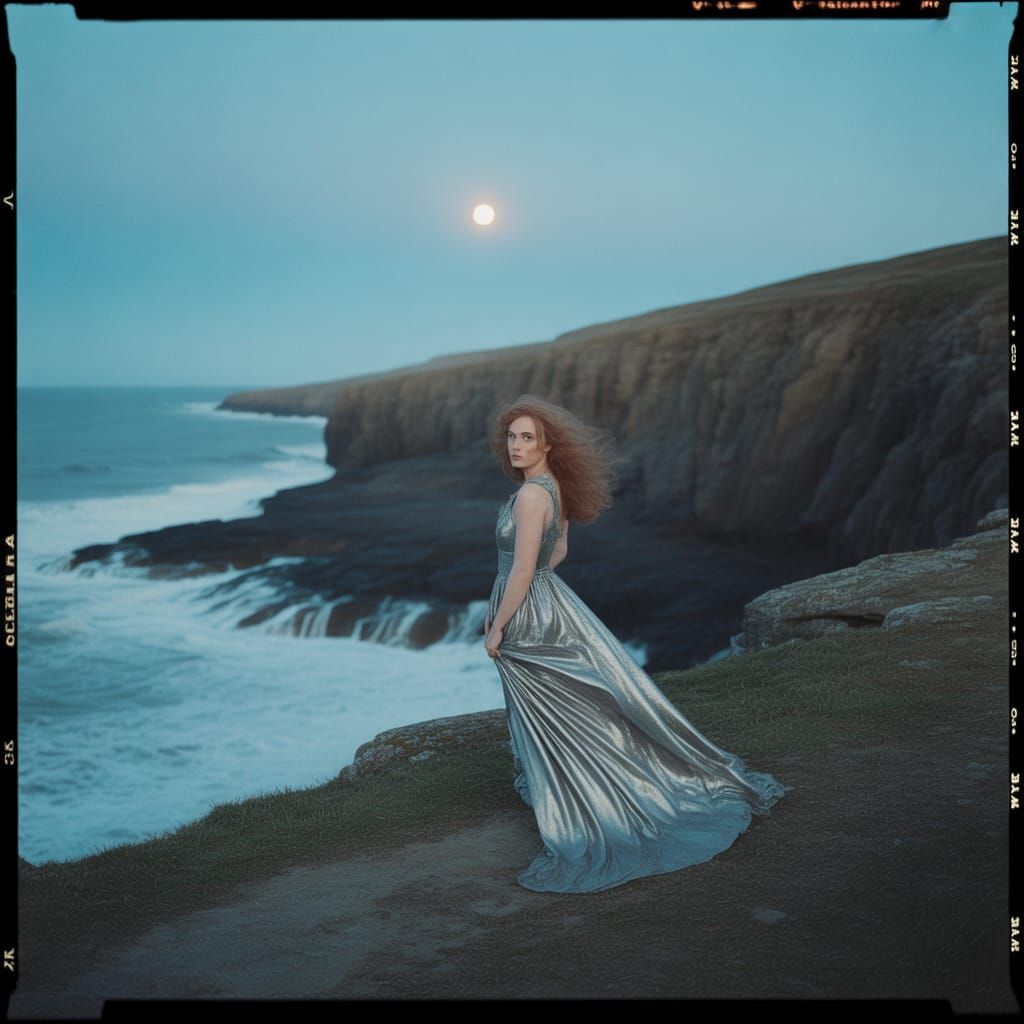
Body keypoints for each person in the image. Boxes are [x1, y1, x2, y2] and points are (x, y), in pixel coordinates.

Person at [483, 393, 790, 893]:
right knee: (577, 704)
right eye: (512, 437)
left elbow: (520, 567)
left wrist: (498, 623)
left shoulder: (529, 496)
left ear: (546, 444)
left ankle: (593, 800)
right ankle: (593, 786)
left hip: (528, 612)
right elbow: (556, 550)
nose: (515, 446)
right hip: (550, 601)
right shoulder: (551, 487)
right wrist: (536, 581)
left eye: (526, 438)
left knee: (557, 710)